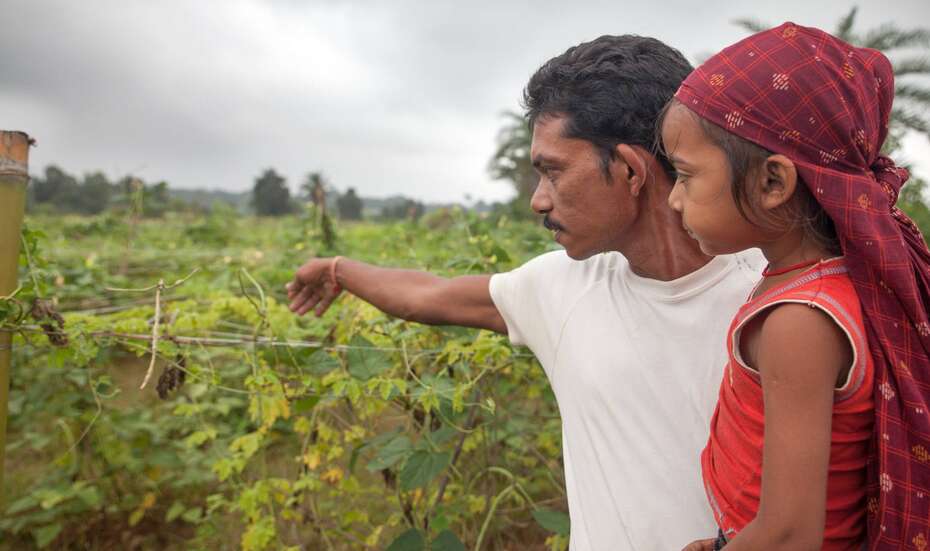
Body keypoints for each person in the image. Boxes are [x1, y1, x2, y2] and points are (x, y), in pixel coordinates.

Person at [287, 35, 763, 551]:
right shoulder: (560, 288)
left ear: (630, 170)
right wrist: (339, 268)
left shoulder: (775, 294)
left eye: (553, 171)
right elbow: (429, 295)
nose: (539, 201)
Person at [660, 22, 930, 551]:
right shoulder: (825, 282)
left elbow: (789, 534)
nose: (674, 200)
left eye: (686, 176)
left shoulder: (799, 321)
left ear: (773, 183)